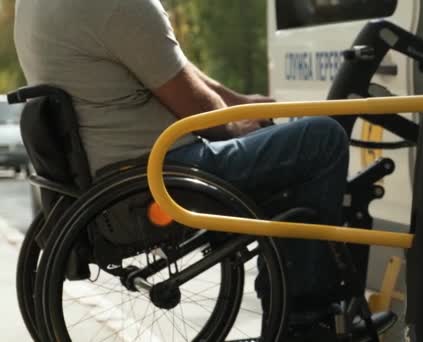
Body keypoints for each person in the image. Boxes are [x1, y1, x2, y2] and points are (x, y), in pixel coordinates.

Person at [14, 0, 349, 339]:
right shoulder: (119, 5)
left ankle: (290, 294)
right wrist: (241, 125)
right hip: (159, 180)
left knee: (282, 145)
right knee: (322, 139)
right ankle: (305, 318)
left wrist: (239, 103)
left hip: (107, 180)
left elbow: (173, 70)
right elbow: (195, 105)